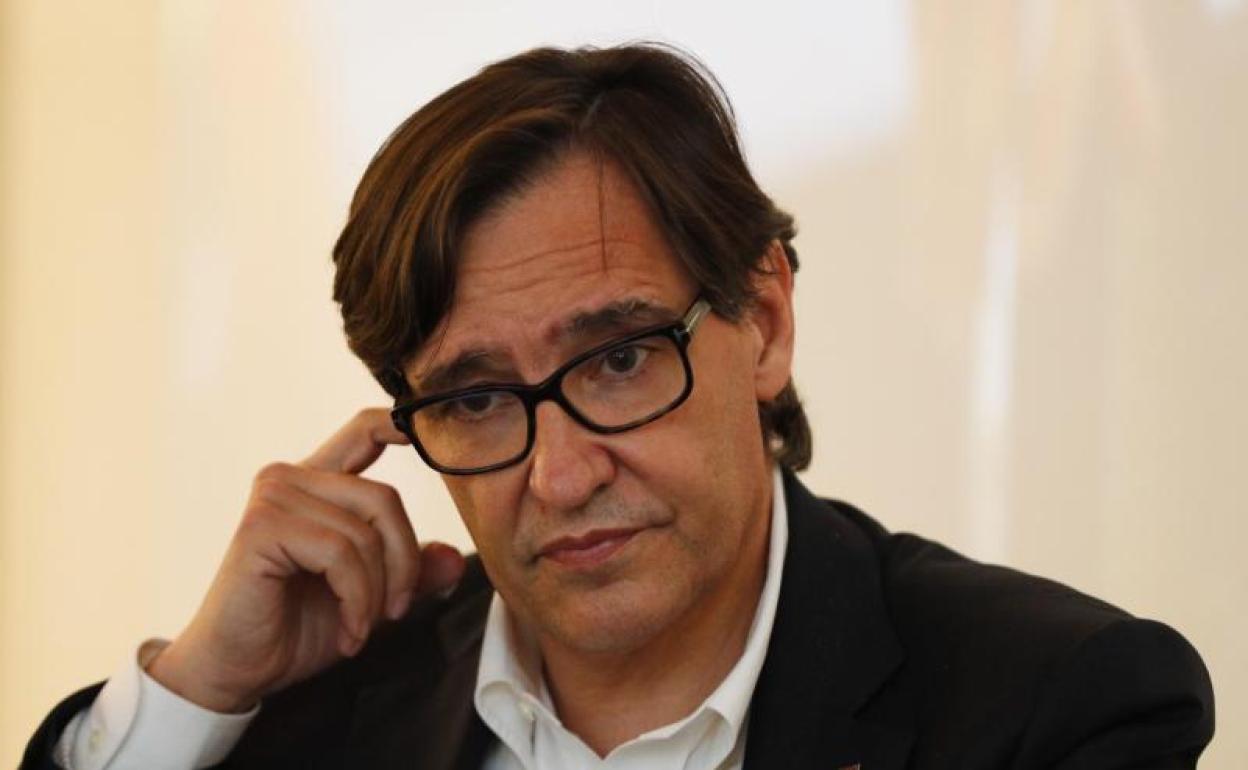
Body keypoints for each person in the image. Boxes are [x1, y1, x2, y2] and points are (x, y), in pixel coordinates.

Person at [24, 43, 1213, 770]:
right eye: (478, 397)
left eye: (619, 360)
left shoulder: (1057, 706)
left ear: (764, 321)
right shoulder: (311, 717)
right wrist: (197, 691)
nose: (560, 472)